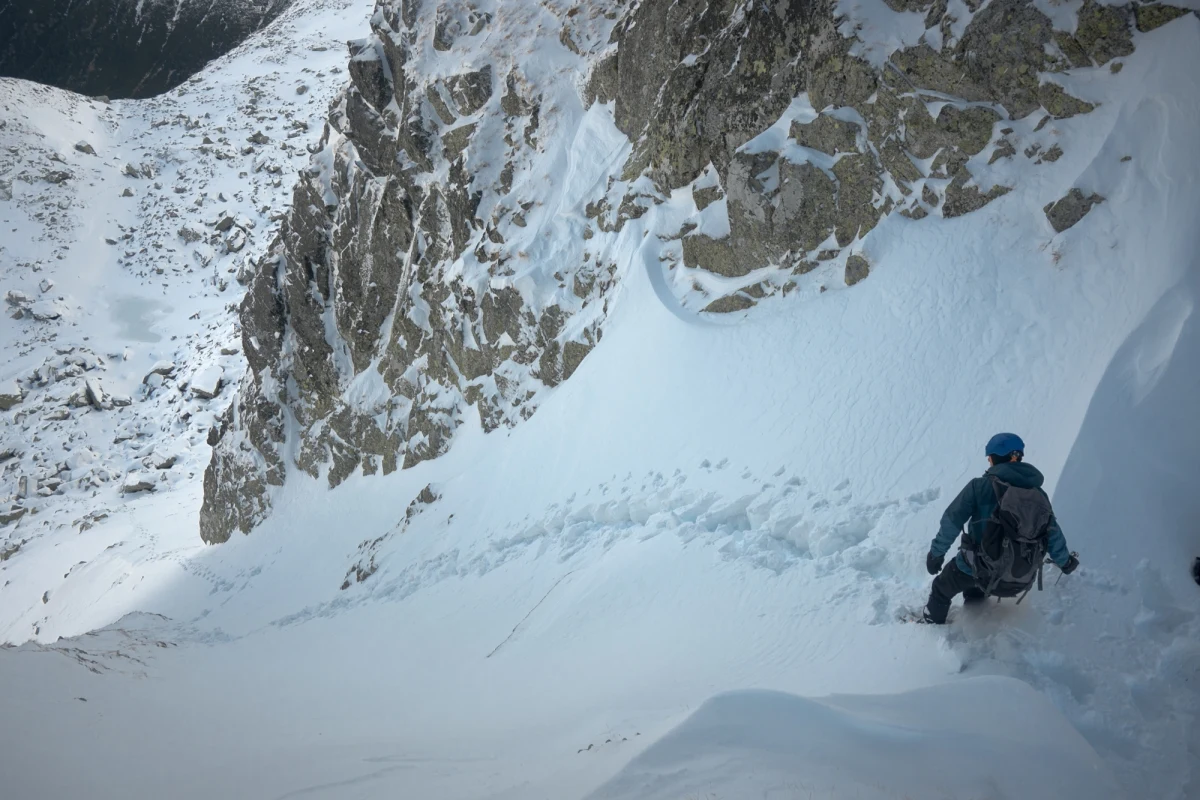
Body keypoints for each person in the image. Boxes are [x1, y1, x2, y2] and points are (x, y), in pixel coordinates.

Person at [920, 433, 1078, 624]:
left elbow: (951, 521)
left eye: (990, 458)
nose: (989, 463)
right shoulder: (1038, 494)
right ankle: (975, 609)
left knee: (942, 587)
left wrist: (936, 554)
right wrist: (1066, 562)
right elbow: (1053, 533)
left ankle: (930, 627)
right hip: (1020, 578)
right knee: (977, 573)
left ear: (996, 457)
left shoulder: (979, 487)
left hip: (979, 570)